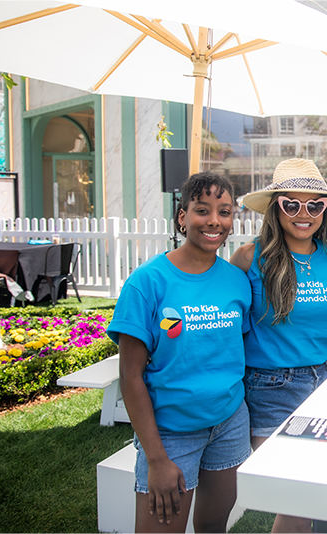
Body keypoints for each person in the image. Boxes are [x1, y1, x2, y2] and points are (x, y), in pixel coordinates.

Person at [107, 172, 251, 533]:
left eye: (225, 211)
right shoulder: (147, 282)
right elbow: (130, 376)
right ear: (182, 216)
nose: (215, 221)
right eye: (203, 210)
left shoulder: (236, 279)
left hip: (229, 424)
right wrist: (156, 458)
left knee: (214, 526)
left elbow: (236, 350)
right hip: (171, 433)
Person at [230, 158, 327, 534]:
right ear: (275, 209)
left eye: (315, 205)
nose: (305, 214)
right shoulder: (251, 258)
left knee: (313, 495)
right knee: (296, 498)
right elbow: (227, 327)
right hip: (272, 386)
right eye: (291, 204)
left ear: (325, 211)